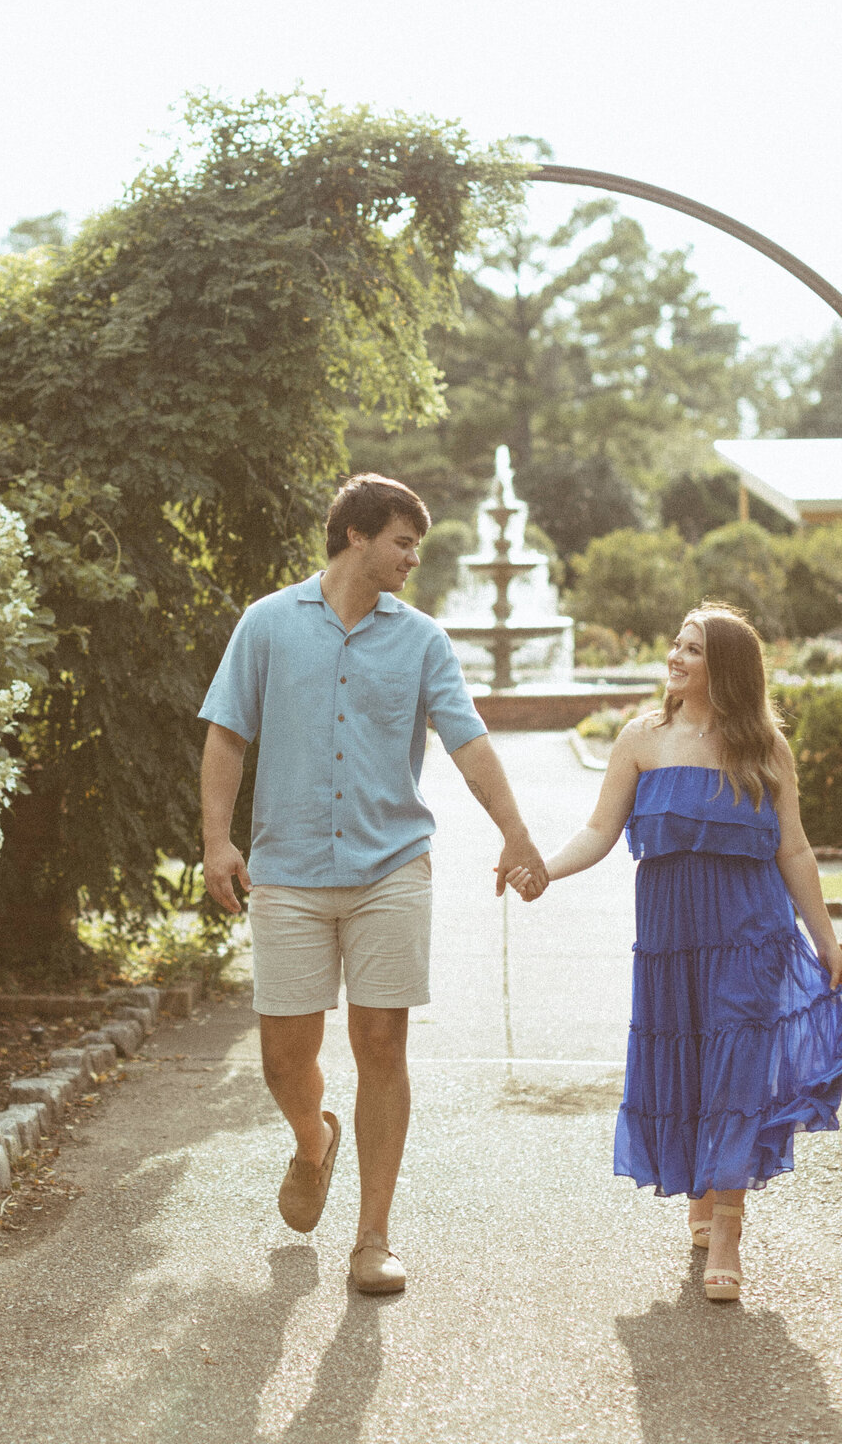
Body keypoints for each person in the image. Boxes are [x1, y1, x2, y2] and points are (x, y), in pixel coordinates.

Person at [199, 472, 548, 1294]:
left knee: (381, 1044)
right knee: (285, 1055)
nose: (412, 558)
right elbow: (225, 736)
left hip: (391, 866)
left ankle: (373, 1237)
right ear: (356, 535)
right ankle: (313, 1141)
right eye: (402, 541)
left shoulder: (421, 639)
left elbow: (468, 742)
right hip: (286, 870)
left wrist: (516, 829)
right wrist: (218, 840)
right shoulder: (268, 625)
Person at [508, 604, 842, 1302]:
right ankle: (704, 1183)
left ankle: (728, 1226)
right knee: (691, 1058)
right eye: (675, 644)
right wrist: (543, 867)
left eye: (691, 649)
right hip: (670, 937)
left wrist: (827, 942)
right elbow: (600, 830)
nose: (675, 657)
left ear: (723, 667)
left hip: (749, 932)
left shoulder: (765, 749)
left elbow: (794, 849)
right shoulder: (642, 738)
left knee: (734, 1068)